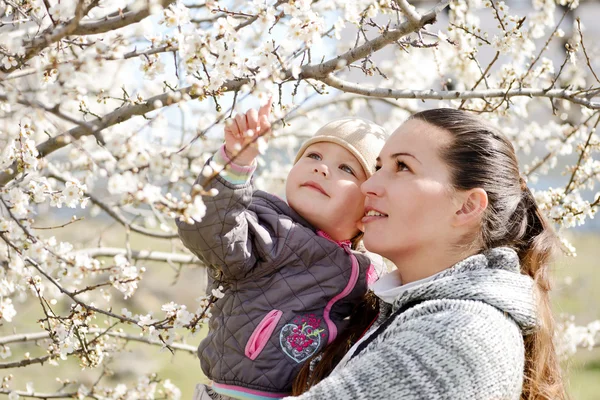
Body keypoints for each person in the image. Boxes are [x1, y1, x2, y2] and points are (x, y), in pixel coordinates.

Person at [287, 108, 566, 400]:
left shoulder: (460, 335)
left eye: (403, 167)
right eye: (379, 167)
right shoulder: (384, 309)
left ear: (467, 207)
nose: (369, 185)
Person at [176, 100, 389, 400]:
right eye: (314, 155)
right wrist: (234, 165)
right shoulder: (266, 227)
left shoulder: (370, 269)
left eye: (346, 168)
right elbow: (205, 227)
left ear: (367, 208)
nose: (322, 167)